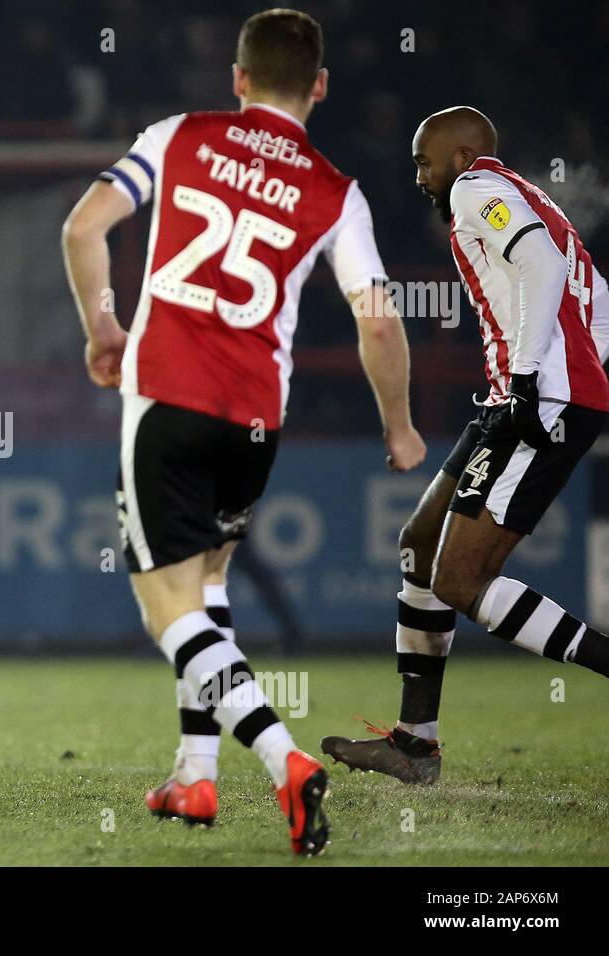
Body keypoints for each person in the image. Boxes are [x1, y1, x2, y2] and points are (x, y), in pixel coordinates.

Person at [61, 8, 425, 855]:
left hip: (167, 400)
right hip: (256, 420)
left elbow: (83, 227)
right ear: (321, 88)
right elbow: (378, 323)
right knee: (209, 582)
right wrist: (400, 428)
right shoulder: (338, 193)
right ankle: (195, 775)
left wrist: (103, 329)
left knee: (167, 610)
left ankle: (283, 758)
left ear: (238, 79)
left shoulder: (179, 135)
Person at [323, 107, 609, 784]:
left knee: (457, 580)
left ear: (459, 155)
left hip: (535, 397)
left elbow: (537, 263)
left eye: (424, 161)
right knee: (421, 545)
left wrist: (537, 376)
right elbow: (595, 298)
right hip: (518, 397)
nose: (418, 175)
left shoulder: (478, 189)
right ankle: (414, 745)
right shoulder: (528, 197)